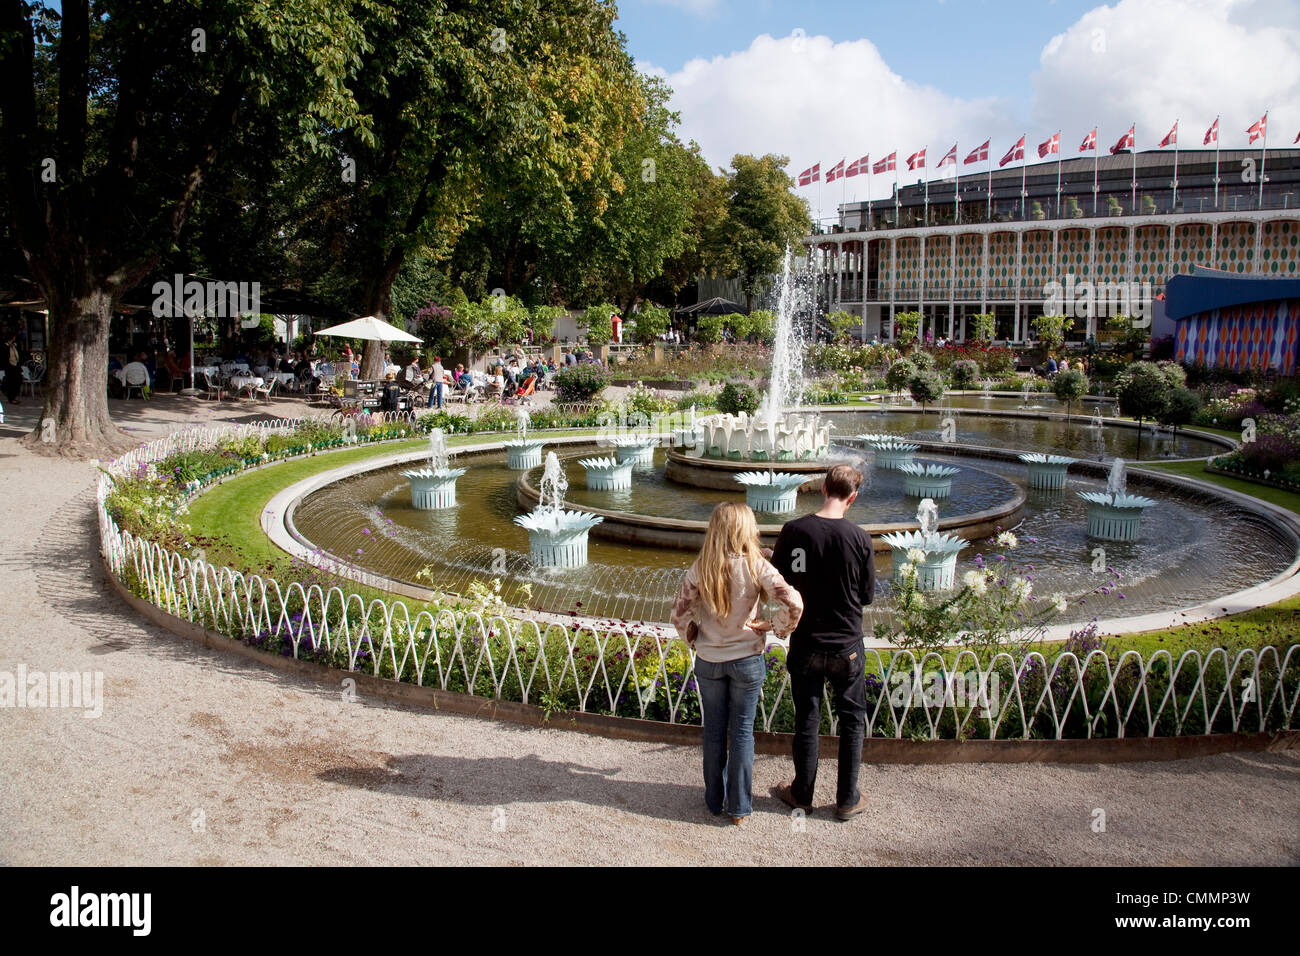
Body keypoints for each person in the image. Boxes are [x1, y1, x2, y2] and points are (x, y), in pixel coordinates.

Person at [671, 502, 803, 825]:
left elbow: (678, 614)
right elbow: (795, 602)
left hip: (710, 659)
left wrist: (695, 637)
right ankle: (739, 808)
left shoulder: (702, 567)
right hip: (746, 659)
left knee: (713, 731)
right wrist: (775, 626)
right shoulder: (757, 565)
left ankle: (714, 800)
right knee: (742, 733)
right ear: (747, 529)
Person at [771, 464, 875, 821]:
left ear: (822, 489)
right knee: (851, 721)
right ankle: (847, 799)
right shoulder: (861, 539)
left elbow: (780, 583)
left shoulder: (794, 529)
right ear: (852, 497)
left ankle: (802, 793)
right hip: (846, 642)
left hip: (806, 641)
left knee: (808, 719)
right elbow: (866, 596)